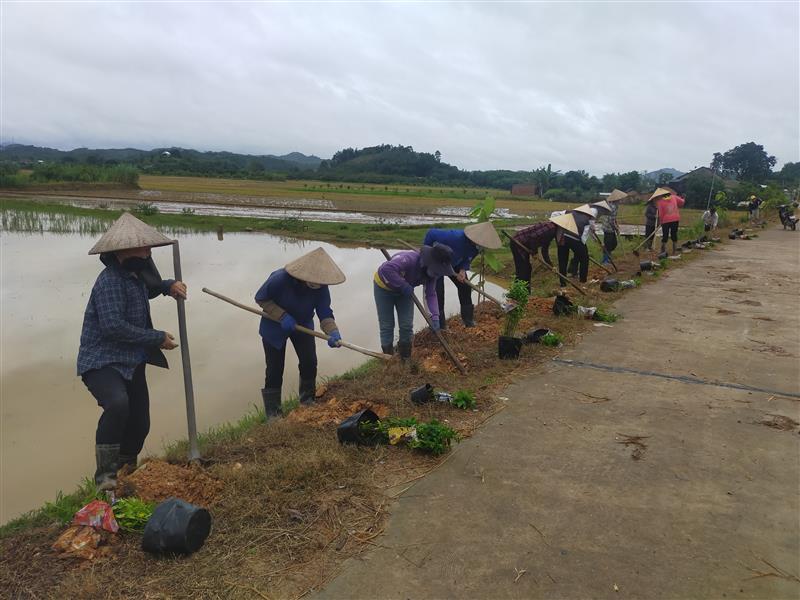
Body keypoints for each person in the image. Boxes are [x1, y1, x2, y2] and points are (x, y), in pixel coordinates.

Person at [78, 212, 187, 491]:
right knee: (117, 406)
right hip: (103, 361)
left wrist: (167, 286)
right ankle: (105, 478)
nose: (148, 251)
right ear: (121, 251)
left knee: (140, 422)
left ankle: (126, 471)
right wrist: (156, 337)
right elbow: (113, 327)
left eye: (148, 247)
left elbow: (148, 290)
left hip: (131, 360)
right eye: (142, 247)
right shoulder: (110, 281)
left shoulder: (134, 275)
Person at [255, 248, 345, 417]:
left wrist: (333, 331)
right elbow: (261, 298)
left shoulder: (321, 288)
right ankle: (273, 413)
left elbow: (325, 313)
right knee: (275, 369)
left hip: (303, 324)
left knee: (309, 361)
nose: (316, 285)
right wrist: (282, 316)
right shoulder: (280, 279)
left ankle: (307, 400)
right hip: (274, 325)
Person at [374, 243, 456, 359]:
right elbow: (386, 270)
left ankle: (405, 359)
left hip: (405, 291)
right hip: (384, 288)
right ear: (430, 263)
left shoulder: (433, 274)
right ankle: (388, 359)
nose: (437, 274)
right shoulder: (408, 260)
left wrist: (435, 317)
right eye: (437, 270)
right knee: (387, 325)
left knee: (406, 325)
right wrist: (402, 285)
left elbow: (431, 294)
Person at [423, 222, 501, 328]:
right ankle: (440, 326)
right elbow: (431, 233)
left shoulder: (478, 246)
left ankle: (468, 320)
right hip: (437, 261)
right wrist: (427, 253)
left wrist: (463, 270)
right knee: (438, 293)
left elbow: (469, 257)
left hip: (455, 263)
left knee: (465, 287)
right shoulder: (454, 237)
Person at [510, 220, 557, 292]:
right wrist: (535, 253)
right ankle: (518, 292)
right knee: (522, 269)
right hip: (518, 242)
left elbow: (544, 250)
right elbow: (532, 237)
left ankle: (525, 291)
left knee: (527, 268)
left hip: (525, 244)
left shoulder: (553, 232)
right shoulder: (550, 228)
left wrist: (551, 265)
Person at [551, 213, 586, 287]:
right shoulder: (561, 219)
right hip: (565, 240)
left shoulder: (563, 219)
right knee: (583, 258)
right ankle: (580, 280)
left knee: (563, 262)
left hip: (563, 241)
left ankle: (564, 282)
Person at [653, 187, 685, 257]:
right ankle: (674, 250)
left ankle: (663, 251)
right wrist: (683, 198)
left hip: (666, 220)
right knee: (674, 234)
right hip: (675, 219)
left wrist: (661, 222)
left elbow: (661, 214)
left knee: (665, 235)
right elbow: (682, 202)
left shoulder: (660, 202)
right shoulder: (674, 197)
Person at [596, 189, 625, 264]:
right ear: (617, 199)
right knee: (608, 244)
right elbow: (611, 219)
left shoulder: (614, 205)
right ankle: (605, 260)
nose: (621, 200)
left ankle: (608, 256)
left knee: (613, 243)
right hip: (608, 228)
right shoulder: (612, 207)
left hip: (609, 227)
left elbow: (614, 218)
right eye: (620, 199)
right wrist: (615, 228)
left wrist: (616, 224)